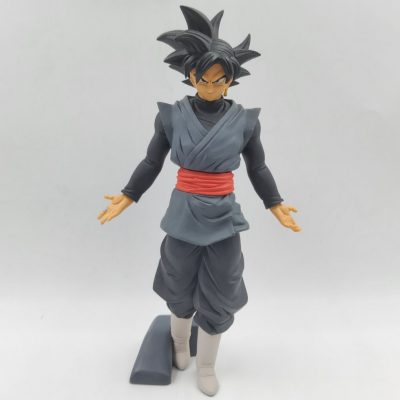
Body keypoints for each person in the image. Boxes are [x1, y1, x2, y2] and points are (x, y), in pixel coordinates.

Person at [97, 6, 301, 396]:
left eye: (218, 80)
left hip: (223, 215)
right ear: (190, 76)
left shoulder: (245, 121)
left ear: (231, 81)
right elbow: (151, 162)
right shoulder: (171, 117)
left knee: (221, 287)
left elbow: (258, 167)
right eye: (203, 79)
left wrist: (275, 203)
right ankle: (179, 342)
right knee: (178, 282)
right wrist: (128, 195)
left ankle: (206, 364)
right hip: (183, 212)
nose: (210, 87)